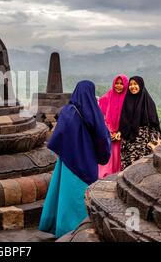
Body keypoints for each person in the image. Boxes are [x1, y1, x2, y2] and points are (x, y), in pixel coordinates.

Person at [39, 81, 111, 238]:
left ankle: (62, 228)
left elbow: (58, 135)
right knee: (81, 194)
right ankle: (80, 230)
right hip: (87, 160)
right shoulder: (94, 112)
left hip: (67, 161)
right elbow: (101, 137)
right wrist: (103, 155)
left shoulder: (67, 111)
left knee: (65, 193)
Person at [119, 76, 161, 170]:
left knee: (140, 168)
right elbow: (123, 121)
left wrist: (153, 142)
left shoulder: (148, 103)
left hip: (143, 142)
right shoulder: (126, 102)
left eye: (135, 84)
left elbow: (154, 124)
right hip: (127, 142)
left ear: (141, 85)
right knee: (127, 169)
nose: (132, 87)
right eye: (130, 84)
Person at [97, 74, 129, 178]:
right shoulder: (106, 98)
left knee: (119, 162)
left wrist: (120, 132)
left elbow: (131, 119)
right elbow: (100, 117)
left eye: (121, 83)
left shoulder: (128, 100)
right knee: (108, 162)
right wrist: (108, 131)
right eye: (116, 83)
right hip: (109, 136)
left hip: (122, 136)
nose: (118, 86)